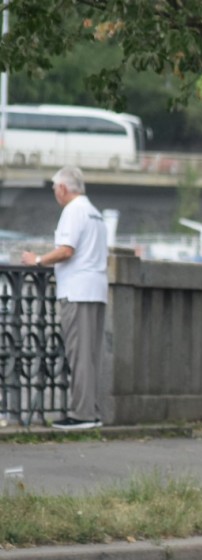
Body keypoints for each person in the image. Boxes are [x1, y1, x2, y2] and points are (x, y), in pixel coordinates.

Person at [22, 166, 109, 429]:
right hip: (96, 288)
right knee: (92, 354)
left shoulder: (73, 211)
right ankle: (92, 411)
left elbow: (66, 250)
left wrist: (37, 260)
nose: (54, 193)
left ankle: (81, 414)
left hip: (77, 290)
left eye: (54, 188)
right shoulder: (94, 212)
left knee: (79, 354)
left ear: (62, 188)